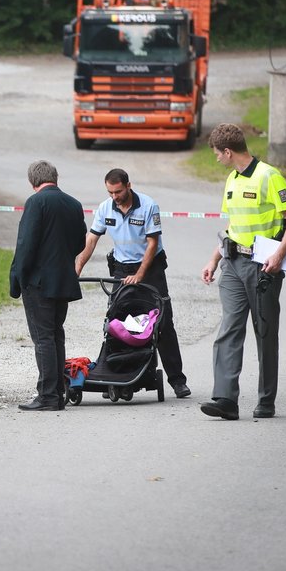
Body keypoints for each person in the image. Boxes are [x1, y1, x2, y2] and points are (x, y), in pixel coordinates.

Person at [199, 123, 286, 420]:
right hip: (233, 264)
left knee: (264, 333)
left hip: (263, 266)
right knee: (229, 330)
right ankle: (225, 400)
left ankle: (266, 400)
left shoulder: (269, 176)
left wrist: (279, 254)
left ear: (228, 152)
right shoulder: (231, 180)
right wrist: (213, 259)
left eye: (218, 153)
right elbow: (234, 228)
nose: (217, 158)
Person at [74, 168, 190, 398]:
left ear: (128, 185)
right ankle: (117, 376)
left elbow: (152, 243)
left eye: (118, 191)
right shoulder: (105, 208)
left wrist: (140, 274)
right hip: (121, 267)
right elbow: (92, 238)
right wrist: (77, 268)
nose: (115, 197)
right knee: (117, 321)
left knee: (162, 323)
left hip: (151, 268)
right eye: (110, 192)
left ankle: (177, 380)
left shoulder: (148, 206)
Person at [9, 160, 86, 411]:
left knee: (43, 338)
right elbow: (80, 243)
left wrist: (16, 278)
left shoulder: (36, 202)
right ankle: (57, 391)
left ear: (33, 182)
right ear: (56, 177)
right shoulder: (74, 204)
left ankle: (47, 396)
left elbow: (26, 245)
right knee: (56, 335)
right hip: (63, 279)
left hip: (39, 282)